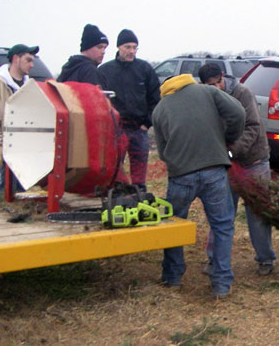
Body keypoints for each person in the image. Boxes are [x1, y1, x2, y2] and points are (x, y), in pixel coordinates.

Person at [152, 74, 245, 297]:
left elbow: (163, 151)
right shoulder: (209, 92)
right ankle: (221, 284)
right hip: (214, 169)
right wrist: (228, 138)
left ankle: (172, 278)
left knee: (173, 226)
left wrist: (176, 161)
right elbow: (239, 113)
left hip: (181, 174)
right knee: (222, 225)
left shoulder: (160, 109)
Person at [198, 63, 276, 276]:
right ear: (203, 85)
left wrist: (232, 151)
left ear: (223, 76)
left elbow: (253, 127)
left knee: (257, 213)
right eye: (211, 85)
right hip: (224, 164)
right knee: (221, 213)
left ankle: (265, 258)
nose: (217, 88)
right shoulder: (204, 99)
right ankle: (214, 259)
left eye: (218, 82)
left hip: (254, 161)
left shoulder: (242, 93)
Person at [98, 29, 160, 191]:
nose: (131, 51)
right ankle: (115, 195)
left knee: (139, 173)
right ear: (119, 47)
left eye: (135, 47)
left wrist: (147, 123)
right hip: (116, 130)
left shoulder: (145, 69)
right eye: (128, 47)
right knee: (114, 170)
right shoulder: (105, 71)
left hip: (139, 129)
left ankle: (139, 194)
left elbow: (155, 98)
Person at [0, 44, 39, 194]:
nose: (32, 65)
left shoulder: (28, 85)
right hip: (6, 144)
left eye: (33, 61)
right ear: (15, 59)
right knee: (6, 187)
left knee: (18, 187)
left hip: (22, 145)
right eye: (28, 60)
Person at [58, 24, 109, 88]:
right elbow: (95, 97)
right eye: (99, 47)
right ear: (87, 47)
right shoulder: (90, 71)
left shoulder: (68, 68)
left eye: (105, 48)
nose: (103, 52)